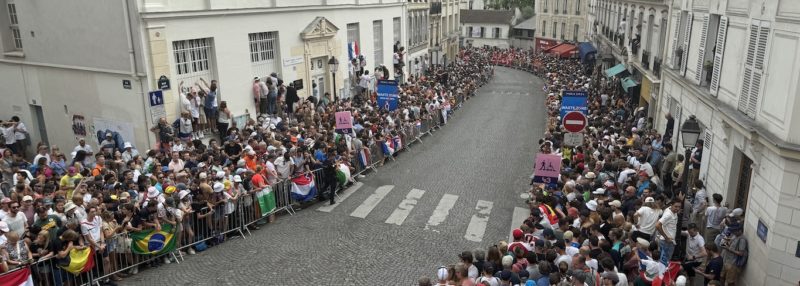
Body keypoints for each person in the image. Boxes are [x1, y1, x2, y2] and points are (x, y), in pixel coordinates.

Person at [656, 199, 682, 266]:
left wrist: (680, 200)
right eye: (676, 206)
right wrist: (666, 237)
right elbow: (657, 225)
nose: (678, 208)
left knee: (663, 262)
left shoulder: (669, 209)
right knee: (665, 263)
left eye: (679, 207)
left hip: (668, 242)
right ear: (671, 205)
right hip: (666, 242)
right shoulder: (668, 215)